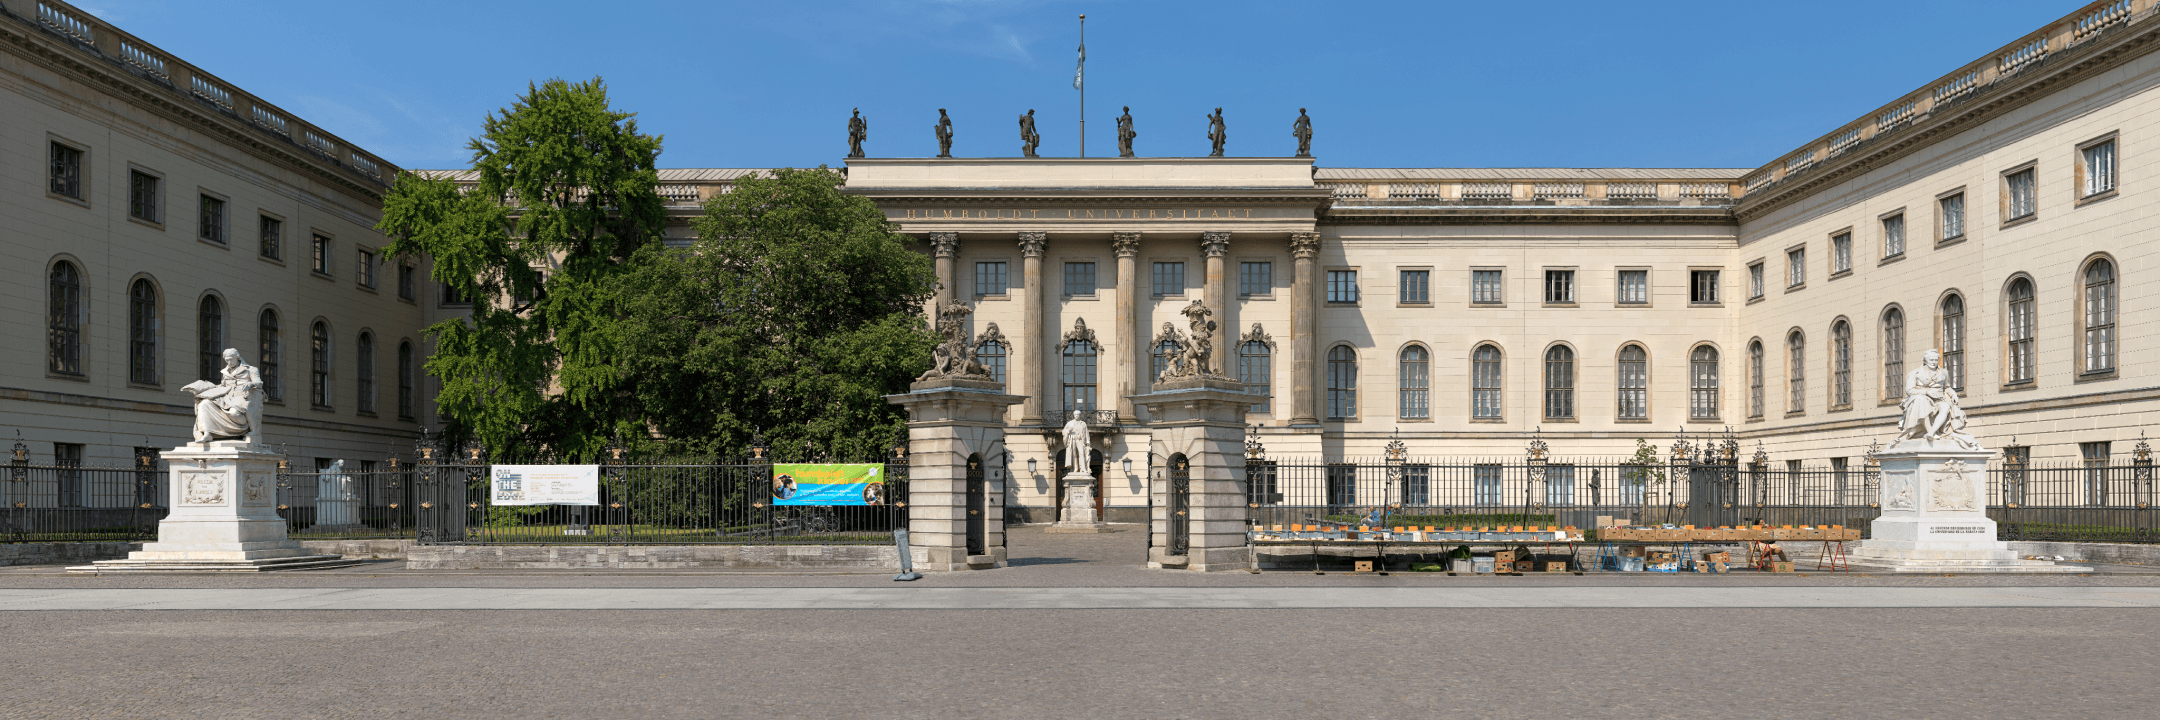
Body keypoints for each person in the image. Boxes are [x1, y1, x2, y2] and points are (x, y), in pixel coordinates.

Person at [1896, 349, 1976, 448]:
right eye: (1931, 360)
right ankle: (1930, 430)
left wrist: (1953, 394)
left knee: (1946, 407)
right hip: (1921, 397)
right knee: (1921, 401)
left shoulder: (1943, 373)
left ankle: (1932, 432)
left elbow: (1947, 387)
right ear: (1924, 360)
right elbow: (1910, 390)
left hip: (1939, 399)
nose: (1934, 362)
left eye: (1935, 360)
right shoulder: (1914, 373)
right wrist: (1927, 392)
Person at [189, 348, 265, 444]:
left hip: (242, 397)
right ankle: (207, 433)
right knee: (204, 403)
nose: (229, 362)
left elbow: (258, 382)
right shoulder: (225, 372)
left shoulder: (251, 369)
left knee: (234, 413)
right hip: (227, 397)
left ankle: (248, 429)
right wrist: (205, 388)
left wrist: (250, 384)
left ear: (237, 357)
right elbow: (222, 386)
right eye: (227, 360)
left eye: (231, 359)